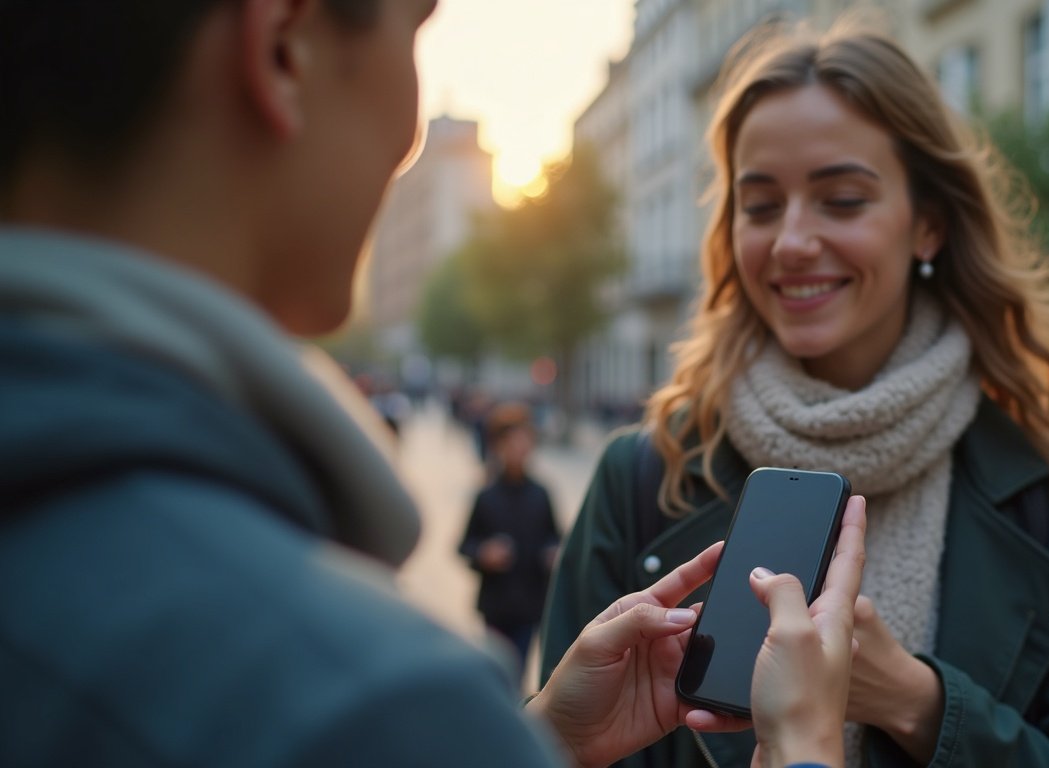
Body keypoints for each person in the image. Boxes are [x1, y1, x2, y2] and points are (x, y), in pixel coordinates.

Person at [0, 2, 869, 766]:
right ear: (283, 48)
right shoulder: (361, 701)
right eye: (413, 27)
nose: (411, 125)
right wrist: (799, 750)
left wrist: (546, 746)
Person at [541, 21, 1049, 768]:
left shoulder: (1037, 487)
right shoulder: (644, 477)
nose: (792, 240)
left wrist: (917, 702)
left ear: (927, 225)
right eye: (760, 206)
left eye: (842, 199)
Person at [460, 402, 562, 673]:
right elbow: (464, 545)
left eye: (525, 443)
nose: (520, 449)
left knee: (519, 671)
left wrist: (553, 553)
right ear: (499, 446)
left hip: (531, 602)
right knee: (498, 670)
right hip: (497, 603)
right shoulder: (487, 496)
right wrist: (484, 553)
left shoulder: (541, 493)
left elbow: (555, 536)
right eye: (513, 443)